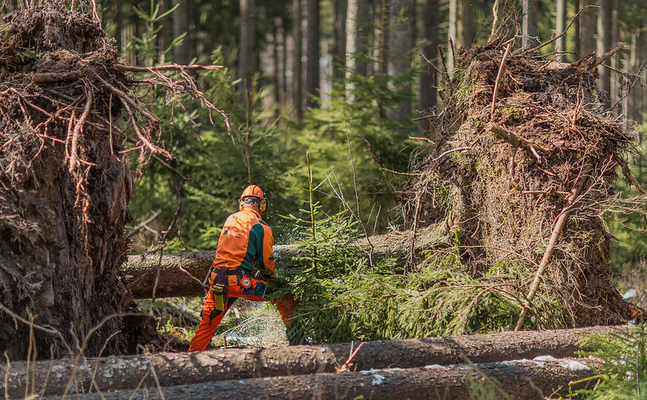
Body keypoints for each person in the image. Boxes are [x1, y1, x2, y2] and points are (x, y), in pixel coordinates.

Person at [188, 185, 295, 352]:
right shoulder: (261, 227)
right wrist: (272, 282)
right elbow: (267, 263)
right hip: (241, 283)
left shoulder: (230, 219)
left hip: (217, 283)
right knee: (284, 297)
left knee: (208, 323)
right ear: (262, 205)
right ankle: (298, 345)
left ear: (242, 204)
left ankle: (191, 357)